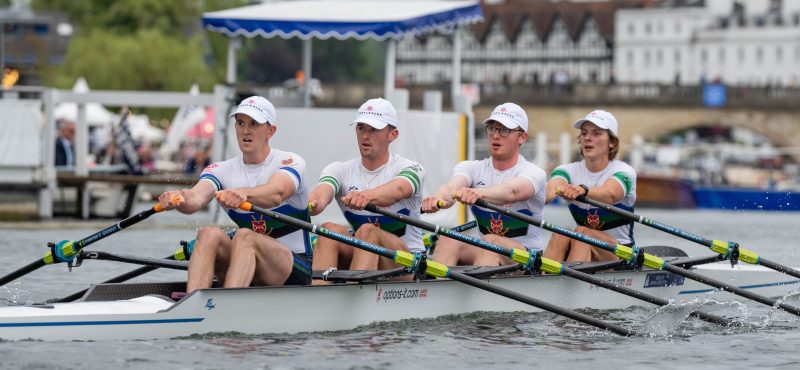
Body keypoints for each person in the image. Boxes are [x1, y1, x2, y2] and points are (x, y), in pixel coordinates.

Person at [157, 96, 311, 293]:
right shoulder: (221, 170)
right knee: (208, 233)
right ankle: (194, 305)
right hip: (248, 263)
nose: (246, 131)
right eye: (240, 123)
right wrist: (177, 197)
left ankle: (227, 306)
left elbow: (276, 193)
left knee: (245, 236)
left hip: (295, 268)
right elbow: (195, 199)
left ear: (270, 131)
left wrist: (243, 194)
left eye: (254, 124)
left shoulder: (290, 162)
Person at [308, 98, 425, 284]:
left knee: (368, 231)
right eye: (361, 128)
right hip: (363, 254)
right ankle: (320, 295)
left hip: (406, 263)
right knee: (328, 230)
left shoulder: (411, 168)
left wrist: (367, 196)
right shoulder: (339, 169)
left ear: (393, 134)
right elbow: (321, 195)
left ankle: (354, 299)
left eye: (374, 129)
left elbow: (399, 188)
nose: (365, 136)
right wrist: (313, 201)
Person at [422, 103, 547, 266]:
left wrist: (478, 193)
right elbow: (451, 188)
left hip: (526, 260)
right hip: (487, 251)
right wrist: (438, 199)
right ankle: (438, 289)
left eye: (504, 130)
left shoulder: (534, 173)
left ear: (522, 137)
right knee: (448, 238)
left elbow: (512, 192)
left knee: (491, 241)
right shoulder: (471, 168)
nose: (496, 135)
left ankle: (475, 288)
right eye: (492, 128)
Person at [543, 110, 636, 262]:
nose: (587, 138)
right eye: (584, 133)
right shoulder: (567, 170)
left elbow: (610, 194)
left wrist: (583, 190)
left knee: (583, 232)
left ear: (612, 142)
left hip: (620, 253)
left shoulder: (624, 171)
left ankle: (571, 282)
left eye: (596, 133)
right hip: (584, 248)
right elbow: (550, 190)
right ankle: (545, 280)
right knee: (561, 232)